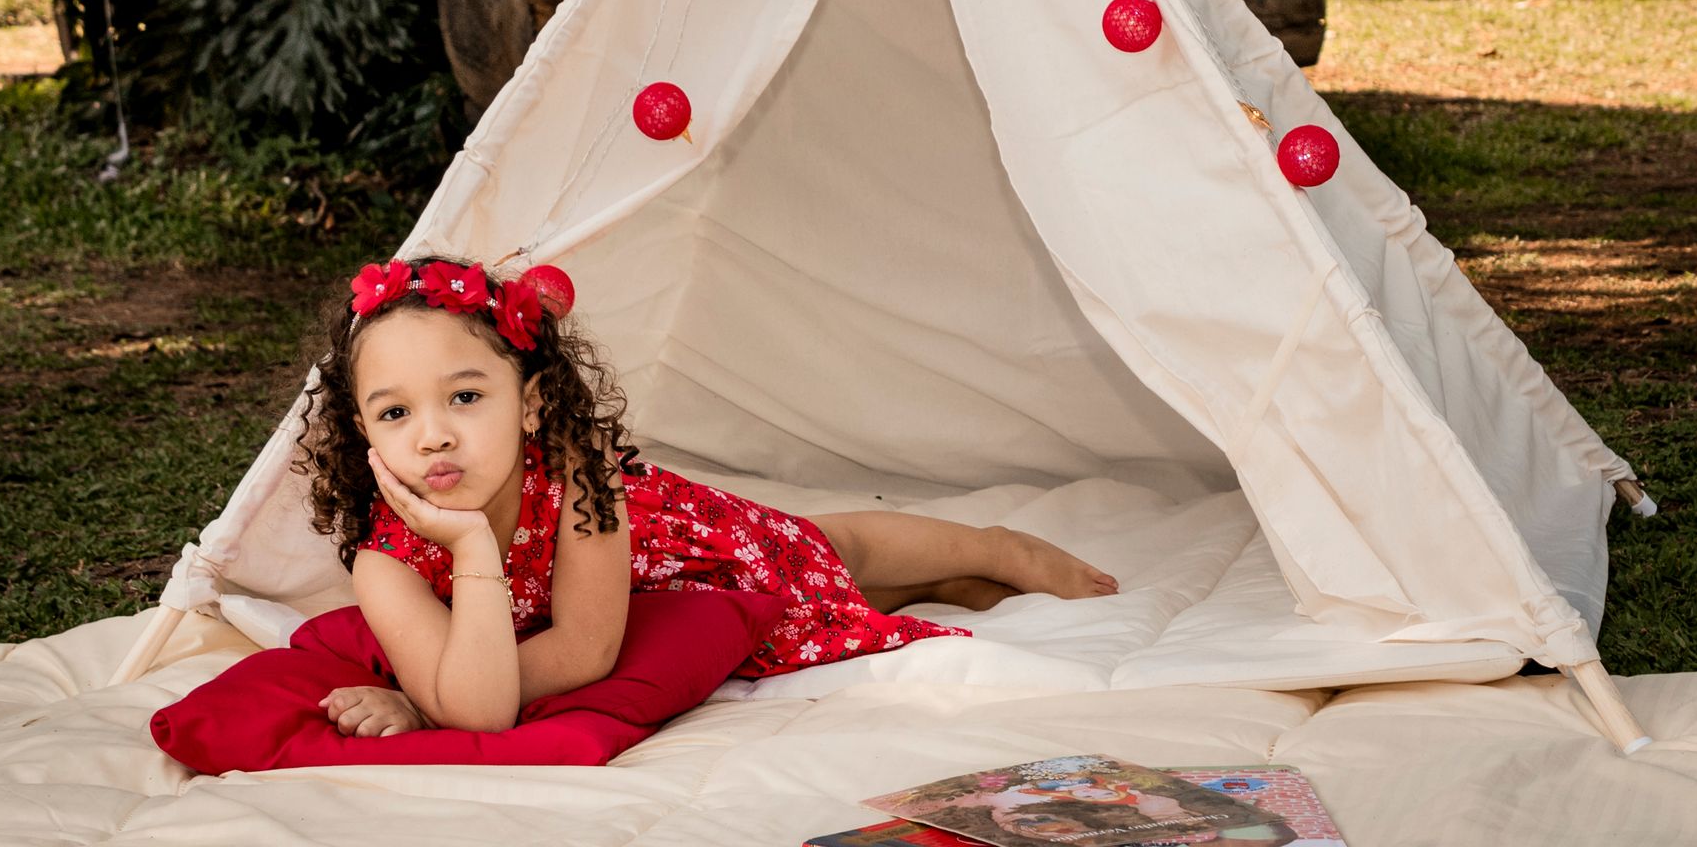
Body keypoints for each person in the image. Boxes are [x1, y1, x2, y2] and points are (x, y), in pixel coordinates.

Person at [292, 254, 1119, 737]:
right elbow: (479, 713)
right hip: (669, 613)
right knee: (828, 611)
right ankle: (939, 583)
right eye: (396, 412)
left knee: (829, 556)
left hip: (690, 548)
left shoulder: (582, 477)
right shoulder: (384, 562)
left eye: (465, 397)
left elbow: (583, 653)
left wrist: (432, 691)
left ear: (531, 404)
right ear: (361, 430)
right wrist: (470, 554)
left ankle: (994, 546)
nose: (432, 434)